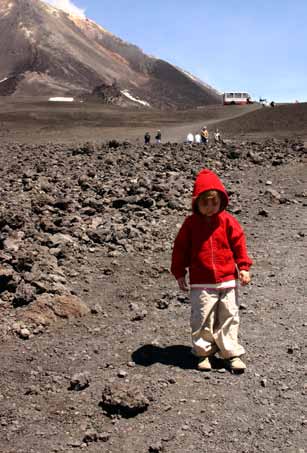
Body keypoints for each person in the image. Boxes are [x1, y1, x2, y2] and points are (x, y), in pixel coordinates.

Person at [171, 169, 252, 372]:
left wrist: (243, 267)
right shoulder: (190, 225)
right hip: (201, 281)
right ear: (196, 203)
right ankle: (203, 352)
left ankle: (230, 353)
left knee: (229, 315)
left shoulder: (227, 221)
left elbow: (238, 244)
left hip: (227, 279)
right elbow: (180, 249)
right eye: (205, 203)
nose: (210, 208)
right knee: (201, 317)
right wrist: (179, 272)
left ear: (221, 202)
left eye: (214, 203)